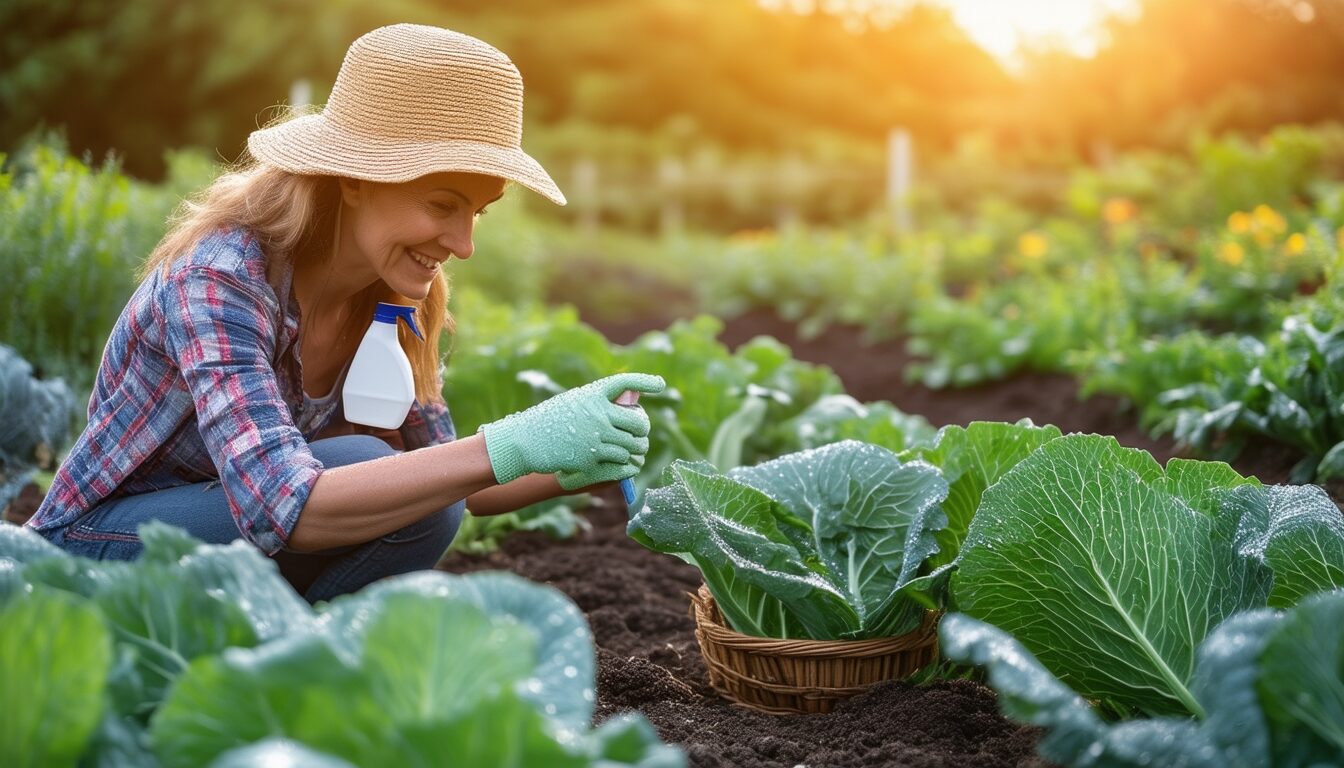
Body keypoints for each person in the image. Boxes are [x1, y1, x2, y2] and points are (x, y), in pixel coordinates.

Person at [24, 24, 664, 602]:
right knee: (377, 471)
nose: (464, 244)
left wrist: (570, 461)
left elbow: (453, 479)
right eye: (443, 205)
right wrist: (509, 443)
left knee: (410, 486)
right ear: (355, 179)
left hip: (235, 545)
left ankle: (290, 652)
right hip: (94, 551)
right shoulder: (221, 281)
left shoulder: (394, 294)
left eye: (479, 212)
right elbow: (287, 506)